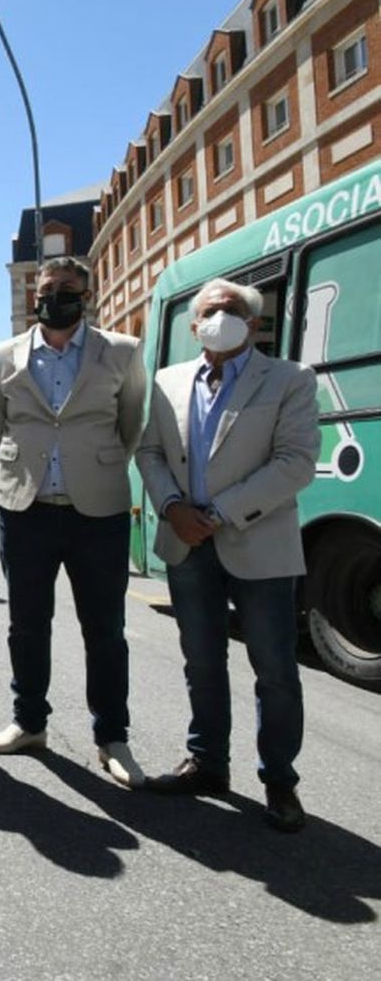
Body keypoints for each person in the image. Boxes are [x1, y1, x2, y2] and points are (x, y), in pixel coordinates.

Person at [135, 277, 318, 832]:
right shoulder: (167, 381)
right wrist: (171, 507)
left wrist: (215, 514)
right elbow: (150, 451)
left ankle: (280, 781)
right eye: (210, 310)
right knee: (202, 662)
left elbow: (295, 463)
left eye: (234, 310)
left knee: (275, 670)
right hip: (187, 546)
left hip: (257, 546)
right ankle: (207, 764)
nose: (221, 316)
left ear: (255, 323)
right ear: (194, 326)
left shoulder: (289, 379)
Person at [0, 257, 148, 789]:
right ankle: (29, 723)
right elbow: (1, 422)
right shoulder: (3, 355)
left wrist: (92, 465)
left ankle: (112, 737)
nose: (55, 296)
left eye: (68, 289)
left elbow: (132, 423)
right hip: (25, 510)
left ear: (86, 295)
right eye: (47, 288)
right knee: (27, 625)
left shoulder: (121, 350)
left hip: (97, 510)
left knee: (105, 629)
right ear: (35, 296)